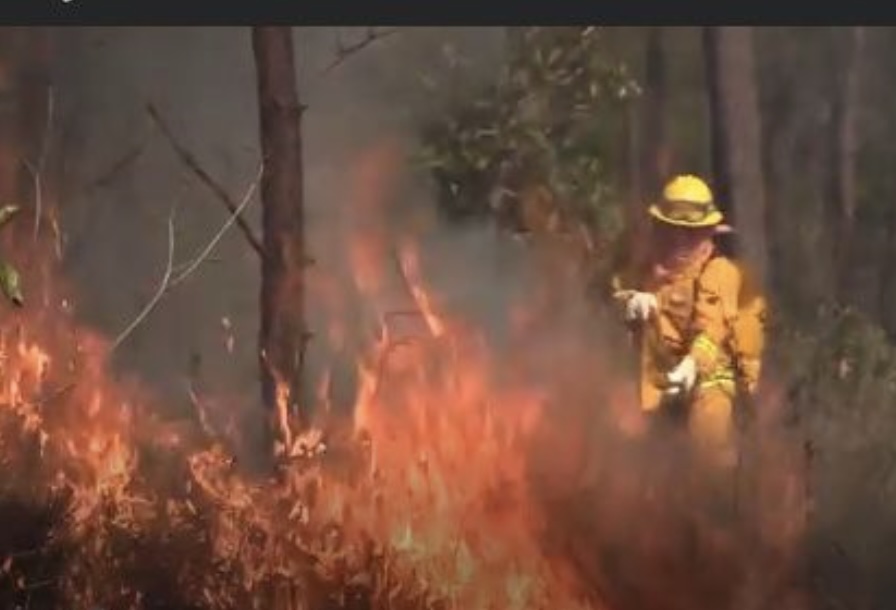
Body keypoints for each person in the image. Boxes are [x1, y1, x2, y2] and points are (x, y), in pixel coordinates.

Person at [611, 174, 766, 527]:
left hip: (711, 379)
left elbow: (712, 327)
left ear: (708, 233)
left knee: (707, 444)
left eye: (690, 233)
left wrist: (693, 364)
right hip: (655, 383)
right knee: (630, 453)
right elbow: (612, 292)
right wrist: (629, 302)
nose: (678, 241)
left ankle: (717, 518)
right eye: (670, 230)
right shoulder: (647, 269)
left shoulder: (719, 272)